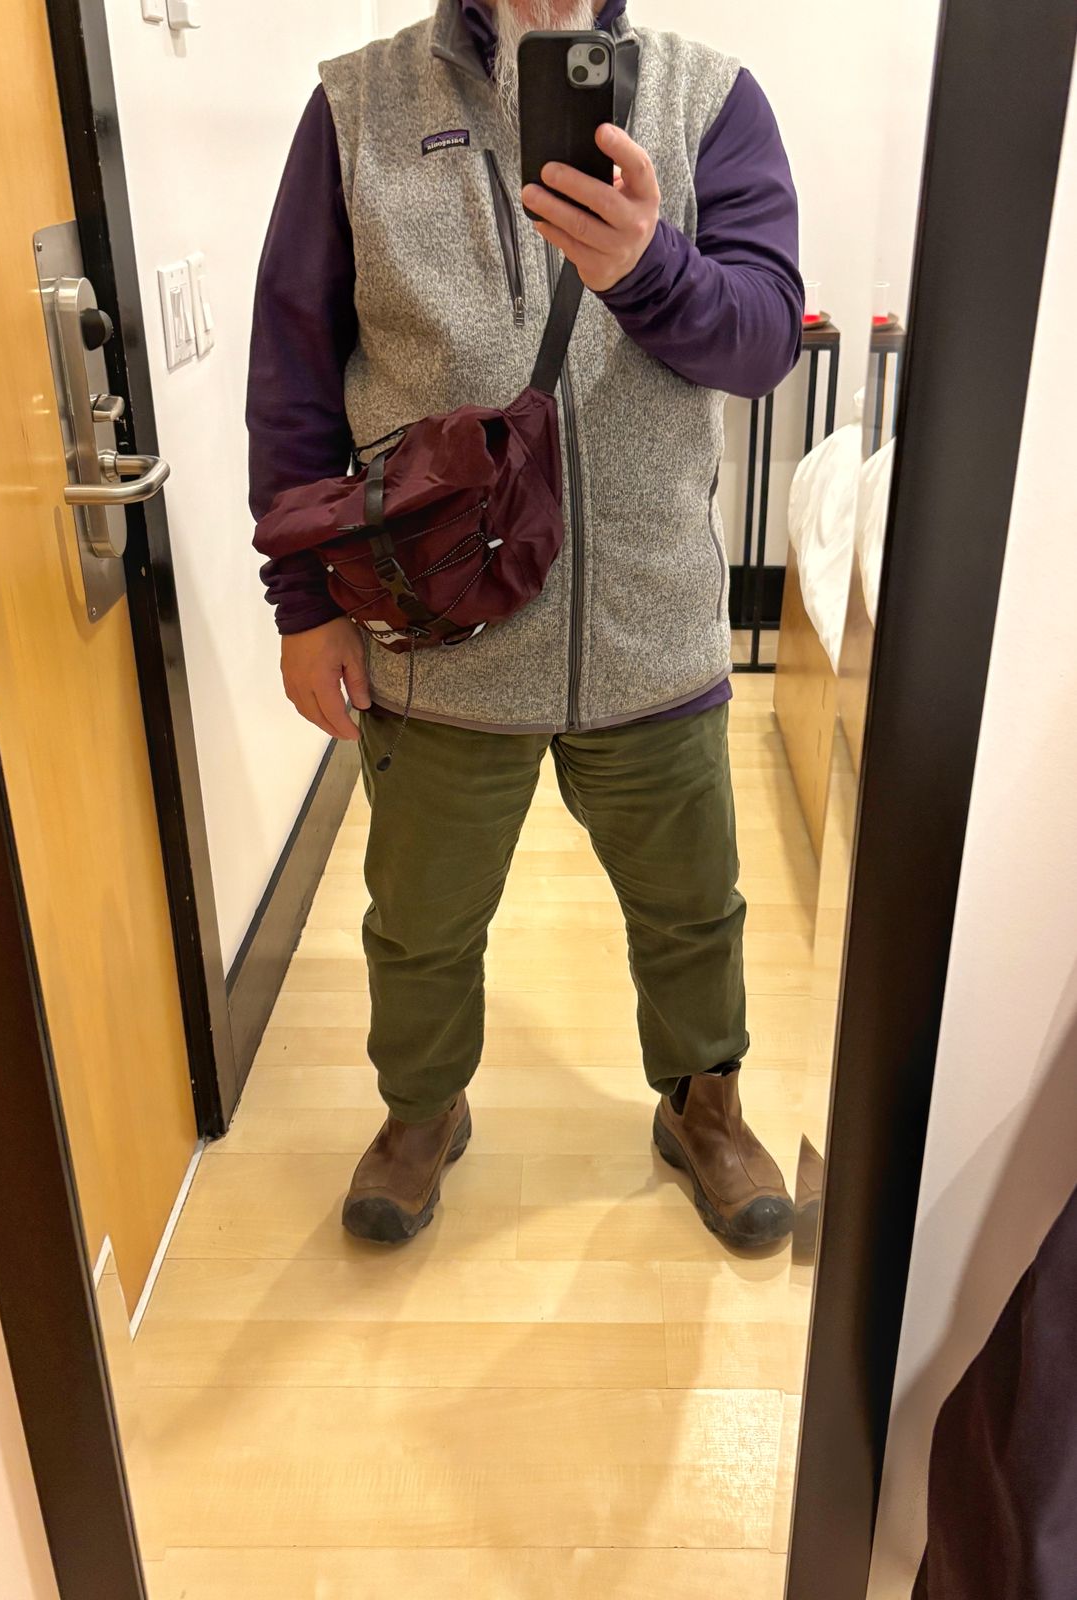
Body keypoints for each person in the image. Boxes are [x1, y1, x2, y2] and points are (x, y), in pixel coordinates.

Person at [247, 0, 805, 1249]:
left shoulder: (712, 100)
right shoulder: (354, 107)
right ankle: (421, 1110)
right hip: (435, 631)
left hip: (649, 623)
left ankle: (704, 1104)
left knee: (692, 907)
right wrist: (302, 605)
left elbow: (766, 339)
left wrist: (646, 267)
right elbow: (291, 376)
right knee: (420, 918)